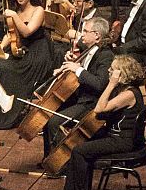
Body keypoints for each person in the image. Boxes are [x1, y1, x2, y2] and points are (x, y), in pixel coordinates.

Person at [56, 54, 146, 190]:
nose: (108, 70)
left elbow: (99, 109)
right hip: (117, 136)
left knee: (79, 151)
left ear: (122, 74)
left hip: (123, 141)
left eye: (112, 69)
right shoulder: (124, 91)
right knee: (80, 143)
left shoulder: (128, 94)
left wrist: (111, 84)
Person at [42, 16, 115, 158]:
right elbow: (85, 70)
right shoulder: (88, 48)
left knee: (54, 123)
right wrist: (70, 63)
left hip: (90, 103)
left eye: (85, 31)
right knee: (46, 113)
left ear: (97, 36)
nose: (82, 34)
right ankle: (48, 159)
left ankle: (59, 163)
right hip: (79, 96)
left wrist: (78, 69)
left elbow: (99, 84)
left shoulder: (106, 55)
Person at [0, 0, 57, 130]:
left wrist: (13, 16)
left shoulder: (38, 10)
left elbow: (27, 32)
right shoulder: (16, 9)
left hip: (37, 52)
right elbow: (10, 34)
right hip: (19, 48)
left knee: (8, 70)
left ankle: (10, 113)